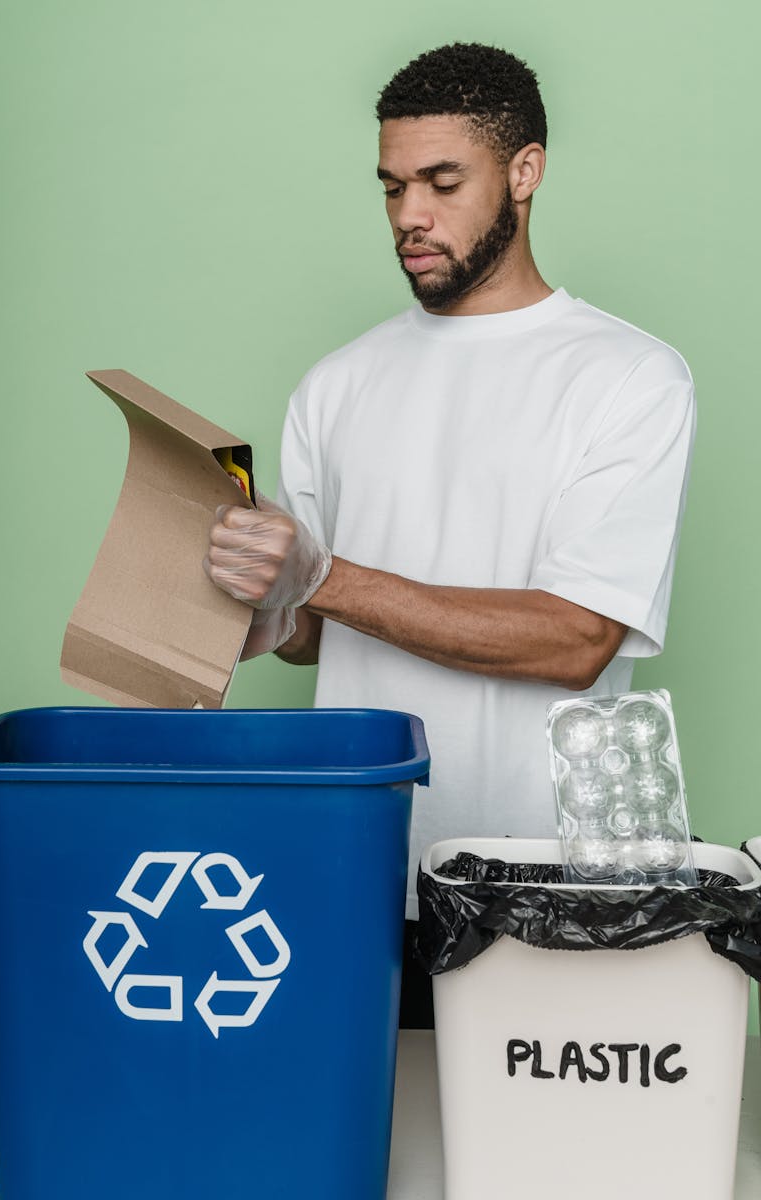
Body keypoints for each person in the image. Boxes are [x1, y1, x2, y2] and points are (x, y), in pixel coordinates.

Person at [203, 43, 696, 1027]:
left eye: (440, 182)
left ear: (523, 171)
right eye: (390, 188)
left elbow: (574, 640)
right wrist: (263, 613)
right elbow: (315, 631)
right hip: (363, 874)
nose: (408, 218)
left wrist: (320, 577)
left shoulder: (628, 378)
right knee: (375, 1167)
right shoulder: (335, 384)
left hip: (548, 890)